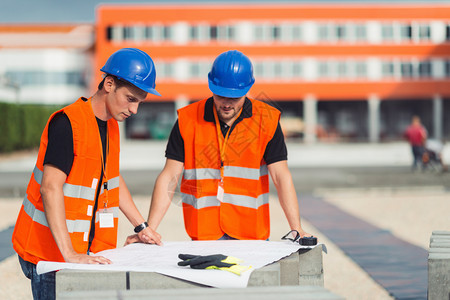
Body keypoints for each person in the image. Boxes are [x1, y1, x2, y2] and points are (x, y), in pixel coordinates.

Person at [11, 48, 162, 300]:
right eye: (130, 98)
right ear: (109, 84)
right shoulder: (68, 123)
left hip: (85, 253)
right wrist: (69, 254)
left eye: (139, 102)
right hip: (50, 254)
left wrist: (142, 226)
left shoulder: (111, 126)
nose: (134, 110)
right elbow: (50, 188)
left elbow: (112, 178)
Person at [127, 49, 312, 243]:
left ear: (248, 89)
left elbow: (280, 176)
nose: (227, 104)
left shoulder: (267, 120)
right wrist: (150, 229)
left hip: (250, 234)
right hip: (204, 234)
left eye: (234, 98)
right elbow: (169, 177)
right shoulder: (188, 119)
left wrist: (296, 228)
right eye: (221, 95)